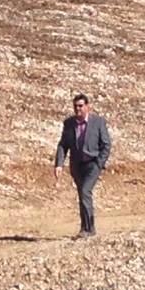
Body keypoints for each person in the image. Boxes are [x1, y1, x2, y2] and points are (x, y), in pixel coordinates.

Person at [54, 93, 112, 238]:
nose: (78, 109)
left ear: (87, 107)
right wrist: (59, 164)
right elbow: (63, 145)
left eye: (80, 106)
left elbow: (106, 144)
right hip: (77, 165)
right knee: (82, 194)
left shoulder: (98, 122)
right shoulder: (69, 123)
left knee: (86, 191)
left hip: (93, 164)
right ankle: (85, 227)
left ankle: (89, 229)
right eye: (75, 106)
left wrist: (99, 163)